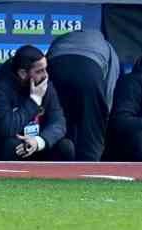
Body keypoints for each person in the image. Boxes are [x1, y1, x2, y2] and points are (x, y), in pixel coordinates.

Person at [0, 46, 75, 161]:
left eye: (45, 69)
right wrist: (35, 100)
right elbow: (8, 128)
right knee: (12, 145)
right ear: (23, 73)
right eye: (39, 71)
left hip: (31, 144)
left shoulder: (44, 84)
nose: (45, 75)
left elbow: (59, 122)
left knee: (65, 146)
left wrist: (39, 141)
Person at [47, 29, 120, 162]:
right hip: (88, 71)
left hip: (56, 66)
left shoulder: (60, 40)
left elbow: (45, 63)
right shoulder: (108, 48)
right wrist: (103, 114)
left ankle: (57, 164)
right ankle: (89, 170)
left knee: (59, 122)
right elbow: (109, 88)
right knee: (91, 132)